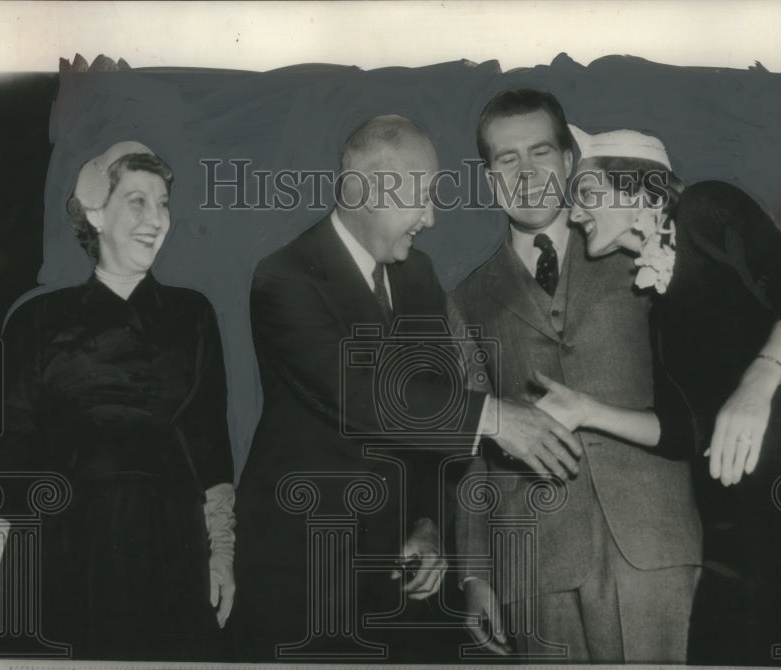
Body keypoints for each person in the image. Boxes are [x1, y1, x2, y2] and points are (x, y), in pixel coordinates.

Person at [230, 115, 583, 662]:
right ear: (361, 190)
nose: (432, 218)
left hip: (400, 573)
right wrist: (496, 417)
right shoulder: (284, 278)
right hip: (301, 564)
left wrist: (428, 522)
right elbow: (357, 396)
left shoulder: (418, 275)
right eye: (422, 198)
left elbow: (432, 404)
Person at [539, 126, 781, 664]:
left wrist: (756, 383)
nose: (575, 214)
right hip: (763, 511)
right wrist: (587, 411)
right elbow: (686, 428)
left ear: (640, 188)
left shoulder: (705, 206)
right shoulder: (659, 302)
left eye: (587, 194)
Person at [450, 89, 702, 663]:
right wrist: (476, 575)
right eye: (506, 159)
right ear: (490, 178)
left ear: (569, 162)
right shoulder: (464, 300)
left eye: (540, 151)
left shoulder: (640, 249)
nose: (526, 171)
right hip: (533, 561)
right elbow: (473, 449)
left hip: (654, 542)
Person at [0, 142, 236, 661]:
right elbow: (10, 453)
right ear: (95, 212)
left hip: (168, 538)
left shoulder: (193, 314)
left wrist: (222, 555)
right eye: (137, 201)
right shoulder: (38, 319)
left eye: (163, 203)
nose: (157, 219)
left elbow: (210, 443)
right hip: (63, 538)